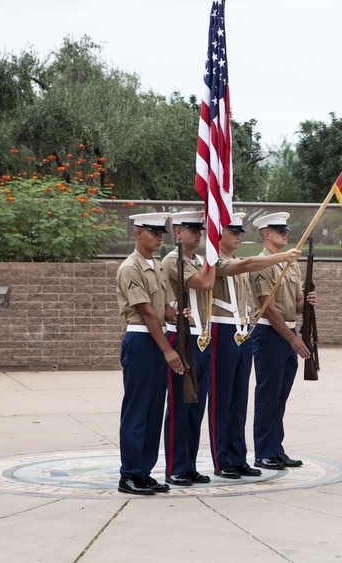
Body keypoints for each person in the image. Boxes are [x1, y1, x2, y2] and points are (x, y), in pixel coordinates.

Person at [207, 212, 302, 480]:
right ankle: (233, 456)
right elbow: (265, 303)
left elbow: (293, 303)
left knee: (246, 400)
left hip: (243, 331)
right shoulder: (224, 262)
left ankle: (243, 455)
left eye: (240, 232)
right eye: (232, 231)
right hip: (245, 332)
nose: (238, 236)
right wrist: (282, 257)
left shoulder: (246, 261)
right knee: (232, 398)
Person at [116, 212, 184, 496]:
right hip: (142, 341)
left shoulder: (157, 267)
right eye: (153, 232)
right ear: (138, 233)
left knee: (154, 410)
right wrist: (168, 349)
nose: (159, 238)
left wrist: (179, 314)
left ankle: (145, 471)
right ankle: (130, 474)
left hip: (157, 341)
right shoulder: (130, 268)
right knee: (137, 410)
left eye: (161, 234)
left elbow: (164, 309)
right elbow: (146, 312)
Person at [249, 212, 316, 471]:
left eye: (285, 230)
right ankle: (264, 452)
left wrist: (307, 300)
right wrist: (292, 339)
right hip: (270, 334)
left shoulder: (292, 264)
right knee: (267, 395)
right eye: (279, 230)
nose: (285, 234)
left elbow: (295, 304)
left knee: (280, 396)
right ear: (266, 235)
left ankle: (276, 448)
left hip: (288, 332)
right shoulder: (261, 264)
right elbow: (268, 308)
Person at [159, 210, 214, 487]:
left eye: (200, 229)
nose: (199, 233)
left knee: (196, 407)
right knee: (180, 407)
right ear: (178, 232)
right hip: (182, 337)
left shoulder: (201, 260)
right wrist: (215, 258)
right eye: (192, 228)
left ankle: (189, 464)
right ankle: (175, 466)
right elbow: (205, 283)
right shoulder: (172, 261)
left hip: (201, 337)